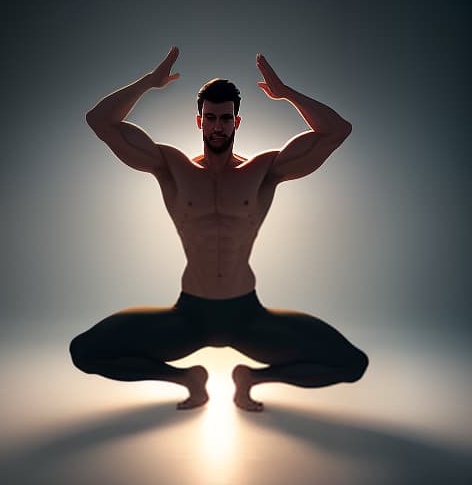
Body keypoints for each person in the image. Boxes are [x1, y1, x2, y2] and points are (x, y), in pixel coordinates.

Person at [70, 47, 368, 411]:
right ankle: (187, 379)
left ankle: (252, 378)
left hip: (247, 315)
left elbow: (337, 131)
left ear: (236, 122)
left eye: (225, 119)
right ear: (199, 122)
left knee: (352, 363)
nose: (217, 126)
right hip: (189, 315)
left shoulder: (263, 171)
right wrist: (149, 82)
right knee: (84, 352)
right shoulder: (171, 167)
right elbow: (99, 121)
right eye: (210, 118)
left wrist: (287, 93)